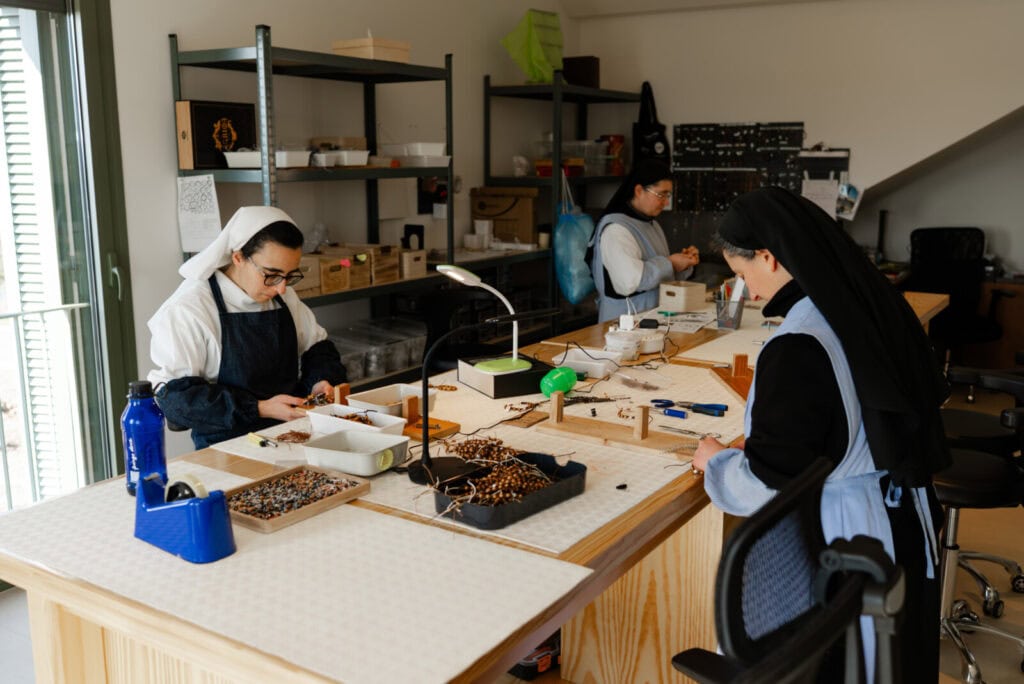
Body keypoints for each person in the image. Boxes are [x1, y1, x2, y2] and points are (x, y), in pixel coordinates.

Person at [690, 187, 950, 682]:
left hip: (850, 534)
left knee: (851, 667)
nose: (747, 290)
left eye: (742, 274)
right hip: (899, 514)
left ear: (768, 257)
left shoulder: (797, 345)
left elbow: (766, 484)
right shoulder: (860, 304)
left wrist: (716, 461)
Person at [148, 206, 346, 449]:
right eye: (272, 274)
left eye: (289, 276)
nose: (281, 288)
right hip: (226, 448)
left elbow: (318, 349)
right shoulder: (190, 309)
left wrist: (320, 381)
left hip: (294, 434)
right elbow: (177, 399)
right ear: (238, 257)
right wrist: (260, 408)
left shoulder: (283, 297)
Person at [589, 158, 699, 322]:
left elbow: (659, 277)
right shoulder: (616, 229)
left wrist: (683, 264)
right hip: (623, 325)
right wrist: (671, 264)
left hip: (653, 320)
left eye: (668, 195)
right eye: (661, 194)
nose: (666, 202)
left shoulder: (652, 224)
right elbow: (629, 281)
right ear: (639, 190)